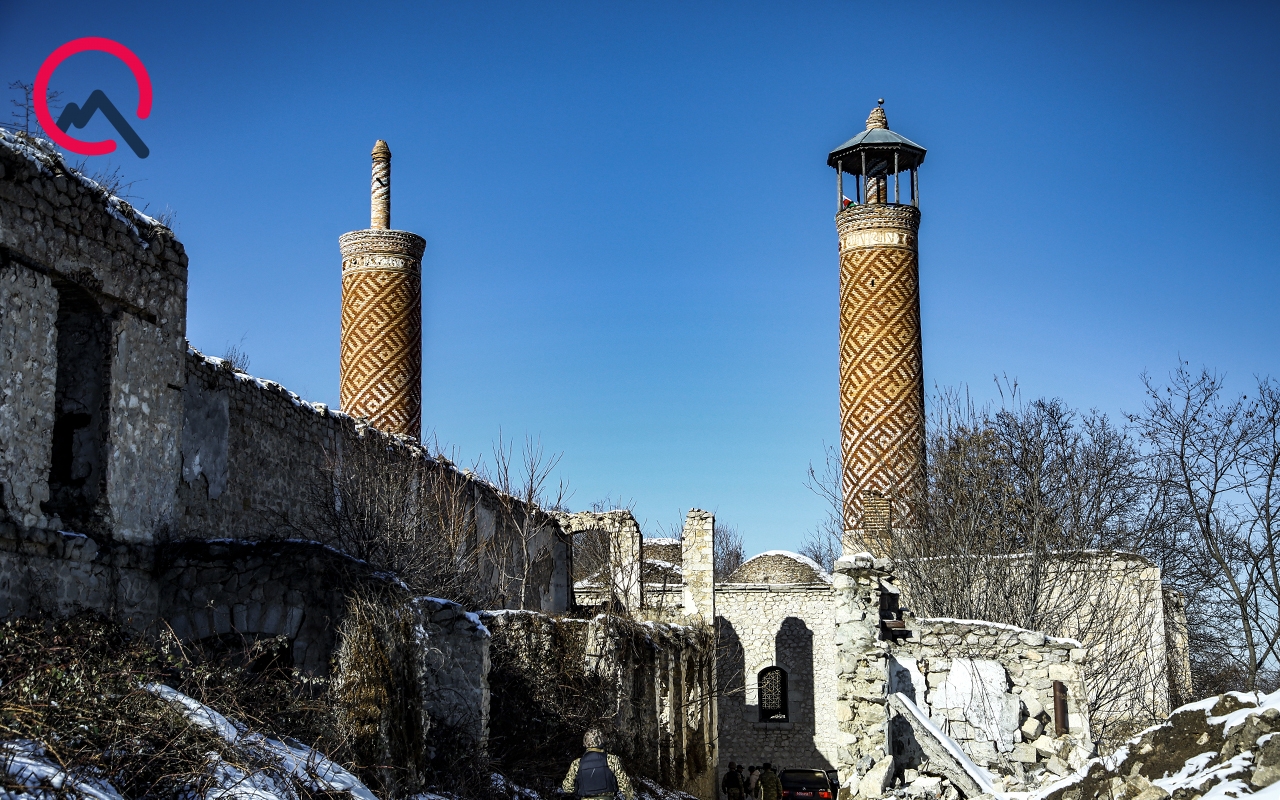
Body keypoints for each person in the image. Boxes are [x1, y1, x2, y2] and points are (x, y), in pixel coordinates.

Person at [561, 728, 635, 800]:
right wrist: (629, 797)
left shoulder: (577, 763)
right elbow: (625, 784)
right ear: (601, 741)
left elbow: (567, 788)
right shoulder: (611, 760)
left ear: (585, 742)